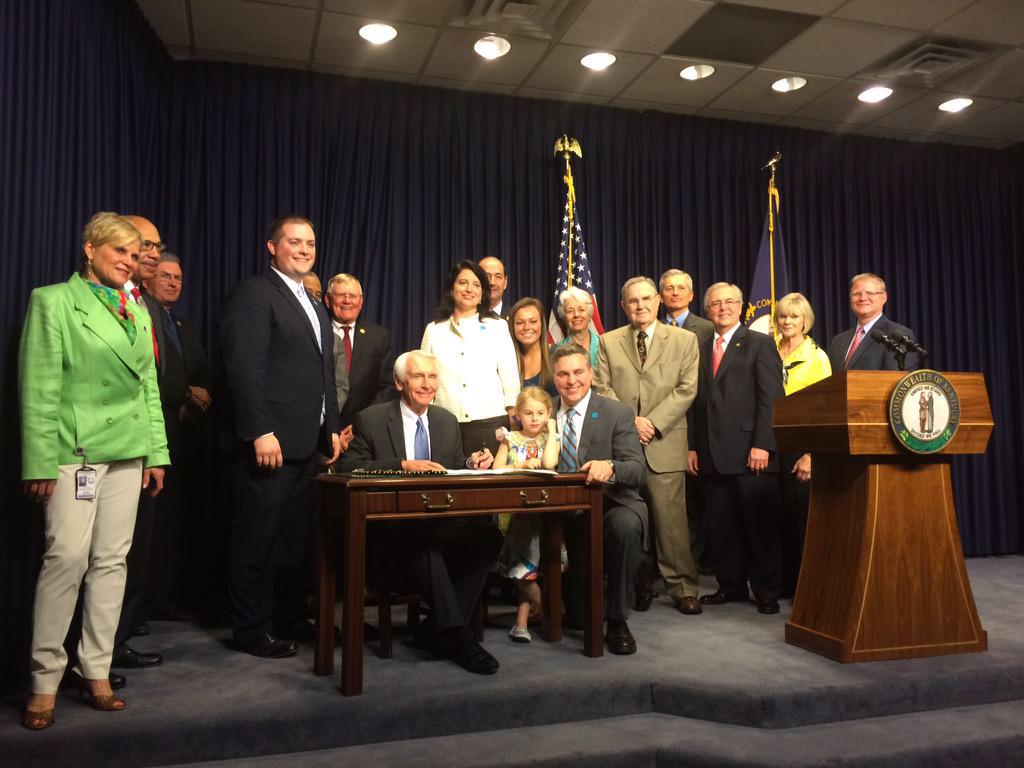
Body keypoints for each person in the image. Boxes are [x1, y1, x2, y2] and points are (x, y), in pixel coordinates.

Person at [19, 212, 169, 729]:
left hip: (128, 450)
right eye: (119, 252)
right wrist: (38, 460)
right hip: (73, 451)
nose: (130, 262)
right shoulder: (54, 301)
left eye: (135, 254)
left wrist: (157, 453)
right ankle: (44, 679)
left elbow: (147, 388)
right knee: (65, 558)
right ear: (89, 249)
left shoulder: (137, 309)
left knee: (112, 561)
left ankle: (96, 668)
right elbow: (38, 389)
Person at [220, 215, 342, 658]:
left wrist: (328, 433)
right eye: (294, 241)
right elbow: (243, 368)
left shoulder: (311, 300)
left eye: (310, 242)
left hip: (306, 444)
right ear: (272, 247)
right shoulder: (255, 293)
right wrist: (259, 430)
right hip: (270, 443)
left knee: (293, 543)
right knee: (257, 538)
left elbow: (322, 373)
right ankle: (251, 630)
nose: (305, 248)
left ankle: (287, 616)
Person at [340, 351, 501, 674]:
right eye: (418, 377)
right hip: (390, 527)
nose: (427, 384)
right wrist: (401, 465)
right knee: (418, 535)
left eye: (432, 377)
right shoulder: (371, 419)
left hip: (440, 522)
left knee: (489, 536)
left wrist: (471, 464)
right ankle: (458, 636)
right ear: (400, 382)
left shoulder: (445, 421)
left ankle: (433, 629)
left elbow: (451, 468)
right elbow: (349, 467)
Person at [593, 277, 701, 616]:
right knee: (627, 517)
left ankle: (683, 587)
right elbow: (601, 387)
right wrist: (631, 422)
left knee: (671, 522)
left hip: (664, 439)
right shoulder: (608, 342)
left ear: (658, 302)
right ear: (623, 306)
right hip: (621, 444)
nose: (640, 306)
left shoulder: (685, 340)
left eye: (645, 300)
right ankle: (639, 584)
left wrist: (651, 422)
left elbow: (686, 389)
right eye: (632, 301)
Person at [689, 283, 784, 615]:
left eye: (729, 302)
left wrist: (762, 445)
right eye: (716, 303)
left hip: (751, 453)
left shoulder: (760, 343)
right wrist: (693, 447)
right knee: (723, 526)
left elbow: (771, 399)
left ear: (741, 306)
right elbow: (695, 403)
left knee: (760, 527)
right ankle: (730, 586)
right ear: (708, 309)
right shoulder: (699, 345)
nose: (723, 307)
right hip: (712, 453)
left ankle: (766, 590)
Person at [551, 343, 648, 655]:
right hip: (560, 510)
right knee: (579, 618)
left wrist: (611, 466)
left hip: (610, 504)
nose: (571, 380)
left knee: (624, 527)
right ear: (554, 379)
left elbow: (637, 470)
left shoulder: (616, 412)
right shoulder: (543, 410)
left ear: (590, 374)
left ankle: (618, 620)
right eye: (563, 374)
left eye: (578, 372)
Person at [140, 252, 212, 620]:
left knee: (175, 521)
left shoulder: (181, 324)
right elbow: (149, 374)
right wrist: (183, 396)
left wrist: (197, 399)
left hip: (185, 435)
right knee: (152, 523)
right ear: (148, 278)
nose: (173, 283)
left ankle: (164, 598)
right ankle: (142, 605)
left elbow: (202, 370)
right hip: (154, 430)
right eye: (166, 275)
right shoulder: (142, 314)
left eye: (179, 278)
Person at [110, 214, 168, 670]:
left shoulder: (142, 306)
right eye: (138, 247)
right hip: (98, 451)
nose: (148, 254)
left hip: (144, 448)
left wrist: (155, 452)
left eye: (152, 246)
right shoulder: (95, 302)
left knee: (133, 552)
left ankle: (115, 641)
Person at [420, 260, 520, 456]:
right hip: (445, 423)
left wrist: (515, 422)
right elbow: (425, 378)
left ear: (483, 293)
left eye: (476, 285)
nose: (469, 289)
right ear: (451, 288)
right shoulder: (434, 330)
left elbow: (510, 381)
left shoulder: (497, 327)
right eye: (463, 282)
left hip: (490, 422)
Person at [774, 292, 832, 598]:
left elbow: (824, 410)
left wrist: (811, 455)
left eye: (794, 316)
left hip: (802, 447)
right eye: (783, 316)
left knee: (800, 520)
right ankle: (780, 584)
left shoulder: (818, 357)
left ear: (805, 321)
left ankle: (804, 588)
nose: (787, 321)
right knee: (774, 517)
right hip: (772, 444)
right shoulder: (770, 350)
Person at [493, 387, 560, 643]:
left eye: (540, 413)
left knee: (529, 568)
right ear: (518, 415)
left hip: (540, 514)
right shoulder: (510, 439)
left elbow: (550, 464)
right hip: (514, 515)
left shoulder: (548, 439)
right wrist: (519, 465)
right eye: (528, 413)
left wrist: (552, 432)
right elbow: (498, 469)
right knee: (520, 567)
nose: (535, 418)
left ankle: (521, 622)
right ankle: (552, 610)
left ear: (549, 414)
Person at [659, 268, 715, 575]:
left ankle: (694, 562)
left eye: (681, 288)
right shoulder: (648, 327)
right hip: (659, 424)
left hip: (696, 421)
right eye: (669, 288)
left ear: (691, 295)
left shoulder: (706, 329)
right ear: (661, 296)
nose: (675, 293)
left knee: (696, 502)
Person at [323, 273, 394, 451]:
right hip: (319, 431)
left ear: (361, 302)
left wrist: (360, 425)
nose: (348, 301)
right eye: (341, 295)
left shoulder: (379, 336)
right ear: (328, 300)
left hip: (363, 435)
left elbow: (387, 387)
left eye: (353, 296)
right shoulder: (317, 332)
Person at [828, 273, 920, 372]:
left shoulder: (899, 336)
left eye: (869, 293)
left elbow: (896, 381)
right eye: (856, 294)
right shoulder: (838, 341)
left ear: (883, 298)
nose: (862, 298)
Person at [508, 297, 554, 393]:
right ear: (512, 327)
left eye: (533, 322)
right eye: (520, 323)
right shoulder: (506, 359)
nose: (527, 327)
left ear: (542, 324)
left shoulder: (556, 355)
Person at [553, 286, 599, 369]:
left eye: (581, 310)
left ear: (589, 315)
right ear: (564, 318)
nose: (576, 315)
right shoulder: (556, 350)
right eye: (570, 311)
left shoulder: (604, 345)